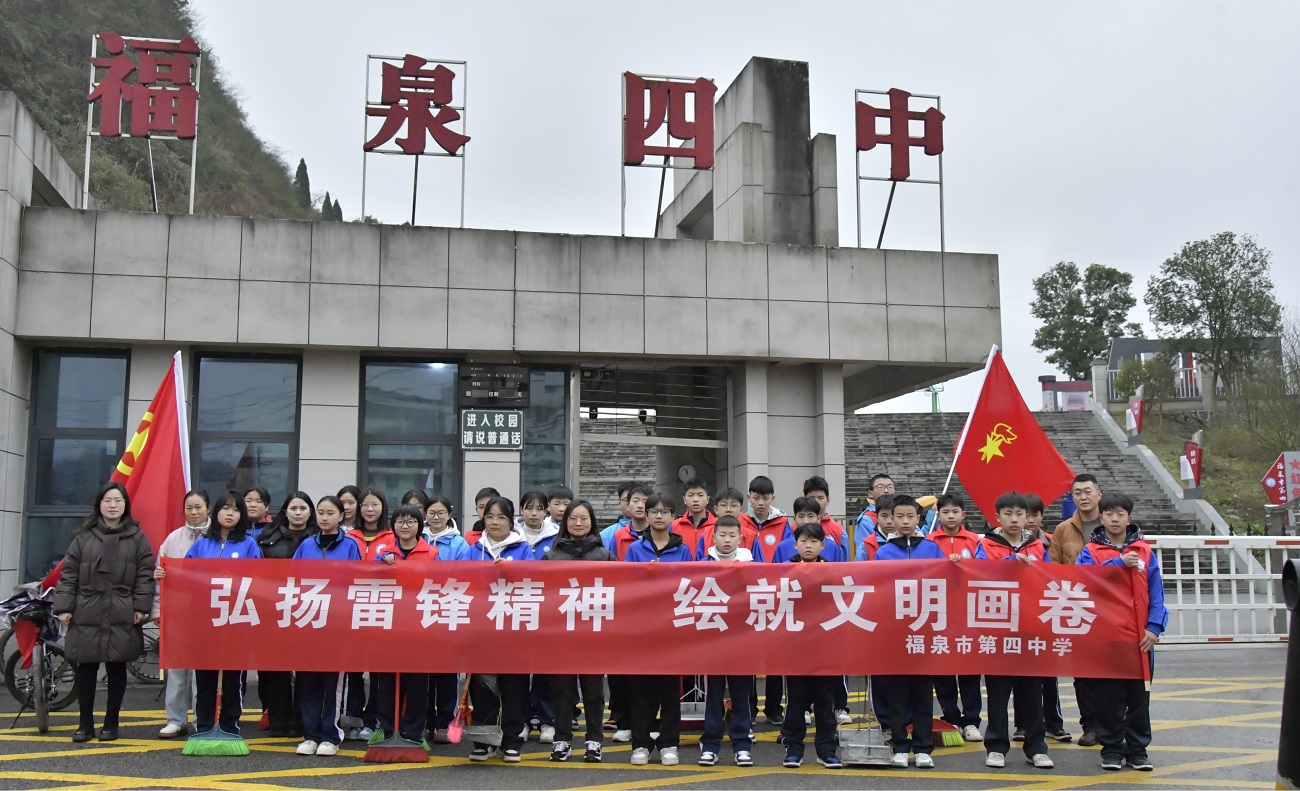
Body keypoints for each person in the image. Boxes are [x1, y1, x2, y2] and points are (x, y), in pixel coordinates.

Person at [54, 482, 155, 743]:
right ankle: (84, 723)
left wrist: (141, 607)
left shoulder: (137, 536)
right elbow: (68, 574)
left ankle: (111, 722)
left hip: (122, 608)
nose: (113, 505)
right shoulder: (84, 537)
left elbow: (146, 573)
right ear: (99, 505)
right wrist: (64, 607)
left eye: (118, 501)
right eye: (108, 500)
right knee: (86, 667)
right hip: (87, 608)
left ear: (125, 505)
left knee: (117, 665)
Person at [1076, 492, 1167, 772]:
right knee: (1107, 697)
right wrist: (1117, 564)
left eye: (1120, 514)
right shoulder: (1089, 552)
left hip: (1139, 638)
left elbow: (1157, 593)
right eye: (1109, 514)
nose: (1115, 519)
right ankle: (1112, 749)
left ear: (1129, 518)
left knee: (1139, 696)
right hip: (1105, 637)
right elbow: (1083, 584)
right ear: (1100, 517)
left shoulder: (1145, 551)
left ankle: (1138, 750)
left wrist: (1155, 627)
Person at [975, 492, 1053, 770]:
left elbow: (1049, 581)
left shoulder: (1037, 546)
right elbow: (978, 576)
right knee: (997, 692)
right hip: (997, 630)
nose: (1014, 519)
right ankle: (996, 746)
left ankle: (1036, 747)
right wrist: (1009, 566)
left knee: (1032, 692)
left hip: (1030, 628)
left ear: (1027, 518)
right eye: (1008, 514)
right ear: (997, 517)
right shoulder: (986, 544)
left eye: (1019, 514)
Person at [183, 491, 263, 739]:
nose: (230, 513)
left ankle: (229, 725)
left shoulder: (249, 544)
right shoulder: (201, 544)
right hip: (204, 622)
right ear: (215, 512)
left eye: (236, 509)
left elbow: (259, 580)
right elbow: (184, 575)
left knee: (232, 678)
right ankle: (205, 724)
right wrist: (164, 576)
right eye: (226, 508)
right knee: (205, 676)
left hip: (236, 620)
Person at [542, 500, 614, 763]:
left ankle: (594, 741)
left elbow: (620, 592)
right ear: (565, 523)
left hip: (593, 635)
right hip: (561, 636)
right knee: (562, 691)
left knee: (594, 691)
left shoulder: (605, 556)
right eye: (573, 519)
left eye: (584, 519)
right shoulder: (551, 556)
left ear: (592, 522)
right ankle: (562, 740)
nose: (578, 524)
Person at [874, 494, 941, 769]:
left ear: (918, 519)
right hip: (895, 633)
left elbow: (945, 583)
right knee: (897, 693)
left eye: (910, 517)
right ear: (891, 519)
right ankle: (900, 746)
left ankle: (923, 747)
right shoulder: (883, 553)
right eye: (898, 516)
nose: (904, 522)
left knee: (923, 693)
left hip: (924, 632)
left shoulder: (932, 549)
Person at [293, 495, 363, 757]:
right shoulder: (306, 546)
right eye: (320, 512)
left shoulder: (350, 546)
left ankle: (330, 734)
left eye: (330, 512)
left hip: (337, 625)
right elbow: (293, 580)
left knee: (333, 682)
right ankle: (310, 734)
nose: (324, 517)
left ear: (340, 516)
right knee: (308, 680)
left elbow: (356, 580)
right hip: (309, 621)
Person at [464, 497, 532, 762]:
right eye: (490, 516)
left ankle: (512, 740)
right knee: (482, 688)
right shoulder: (474, 549)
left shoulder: (523, 549)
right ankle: (484, 741)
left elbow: (533, 581)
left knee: (514, 687)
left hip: (513, 630)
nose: (494, 522)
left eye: (501, 517)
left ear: (511, 520)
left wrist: (511, 570)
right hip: (481, 631)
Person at [624, 494, 689, 767]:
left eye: (665, 511)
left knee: (669, 690)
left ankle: (669, 743)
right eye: (654, 511)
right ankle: (640, 743)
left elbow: (690, 584)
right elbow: (626, 585)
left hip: (672, 629)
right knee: (641, 690)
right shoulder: (635, 550)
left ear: (674, 516)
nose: (659, 516)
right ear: (646, 516)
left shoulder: (684, 550)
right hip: (643, 630)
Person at [779, 523, 841, 769]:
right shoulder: (783, 571)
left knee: (826, 702)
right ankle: (793, 749)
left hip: (824, 647)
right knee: (795, 702)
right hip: (794, 647)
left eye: (814, 541)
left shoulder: (832, 572)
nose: (808, 545)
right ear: (795, 544)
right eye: (803, 540)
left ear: (822, 545)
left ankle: (826, 750)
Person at [257, 490, 319, 737]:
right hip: (274, 609)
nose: (298, 513)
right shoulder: (266, 538)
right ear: (285, 512)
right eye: (293, 508)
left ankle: (301, 720)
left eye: (303, 509)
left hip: (309, 609)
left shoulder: (319, 538)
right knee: (275, 669)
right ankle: (278, 720)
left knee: (306, 668)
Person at [372, 504, 436, 745]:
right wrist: (382, 565)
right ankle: (388, 729)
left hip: (419, 628)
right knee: (387, 681)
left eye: (411, 521)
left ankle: (413, 731)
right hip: (388, 627)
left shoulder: (431, 553)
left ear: (419, 525)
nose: (405, 526)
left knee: (417, 682)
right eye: (400, 521)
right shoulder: (383, 554)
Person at [1048, 473, 1103, 746]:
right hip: (1078, 608)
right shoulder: (1063, 529)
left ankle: (1115, 723)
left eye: (1087, 491)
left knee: (1113, 670)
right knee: (1083, 673)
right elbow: (1054, 567)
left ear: (1098, 495)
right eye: (1077, 492)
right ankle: (1090, 725)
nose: (1082, 496)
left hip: (1110, 608)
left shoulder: (1115, 523)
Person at [152, 489, 209, 739]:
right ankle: (175, 719)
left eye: (198, 507)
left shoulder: (217, 538)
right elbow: (159, 577)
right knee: (176, 667)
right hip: (177, 611)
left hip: (207, 612)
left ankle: (200, 718)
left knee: (201, 668)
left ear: (208, 508)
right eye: (189, 507)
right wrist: (158, 608)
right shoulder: (172, 539)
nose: (193, 512)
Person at [926, 493, 983, 744]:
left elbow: (984, 570)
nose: (950, 516)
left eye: (955, 511)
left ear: (963, 514)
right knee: (943, 670)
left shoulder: (975, 541)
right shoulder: (928, 541)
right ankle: (950, 716)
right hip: (939, 613)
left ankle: (971, 720)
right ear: (938, 515)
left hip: (968, 613)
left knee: (970, 669)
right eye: (945, 512)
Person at [1015, 493, 1071, 744]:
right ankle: (1022, 724)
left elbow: (1058, 572)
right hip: (1016, 616)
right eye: (1023, 515)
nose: (1028, 520)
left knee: (1048, 674)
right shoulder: (1007, 543)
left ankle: (1054, 722)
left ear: (1041, 517)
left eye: (1034, 515)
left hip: (1045, 614)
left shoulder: (1049, 543)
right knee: (1020, 673)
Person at [341, 487, 391, 741]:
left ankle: (374, 719)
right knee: (354, 668)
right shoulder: (348, 537)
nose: (369, 510)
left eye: (375, 505)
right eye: (365, 505)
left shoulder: (392, 537)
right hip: (352, 608)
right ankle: (354, 717)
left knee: (379, 670)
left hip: (382, 608)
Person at [422, 495, 467, 744]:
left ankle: (444, 721)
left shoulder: (459, 543)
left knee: (447, 673)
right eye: (431, 512)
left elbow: (464, 574)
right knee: (424, 671)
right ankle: (426, 720)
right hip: (422, 608)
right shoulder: (418, 538)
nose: (436, 517)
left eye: (441, 513)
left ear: (449, 515)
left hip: (450, 608)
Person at [767, 497, 844, 563]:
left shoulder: (832, 547)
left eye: (810, 516)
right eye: (801, 516)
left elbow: (839, 574)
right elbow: (776, 575)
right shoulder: (783, 547)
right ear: (794, 519)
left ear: (818, 518)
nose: (806, 521)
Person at [696, 487, 757, 559]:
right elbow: (698, 567)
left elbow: (759, 567)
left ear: (741, 510)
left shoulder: (751, 536)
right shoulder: (706, 536)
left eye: (734, 505)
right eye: (723, 505)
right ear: (716, 509)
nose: (728, 510)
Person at [741, 475, 790, 561]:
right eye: (756, 498)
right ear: (749, 498)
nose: (761, 503)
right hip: (748, 573)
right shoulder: (740, 522)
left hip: (775, 573)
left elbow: (788, 552)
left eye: (765, 498)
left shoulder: (782, 524)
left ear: (772, 498)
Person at [604, 483, 652, 561]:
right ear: (628, 506)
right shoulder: (617, 537)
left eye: (645, 501)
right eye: (635, 501)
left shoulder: (659, 534)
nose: (640, 505)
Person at [802, 476, 847, 555]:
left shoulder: (838, 531)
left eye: (820, 498)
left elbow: (844, 563)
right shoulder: (795, 528)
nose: (816, 502)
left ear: (828, 500)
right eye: (811, 498)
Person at [672, 478, 715, 554]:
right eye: (691, 495)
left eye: (700, 495)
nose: (695, 499)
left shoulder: (718, 525)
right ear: (684, 500)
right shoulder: (673, 526)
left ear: (707, 499)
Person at [517, 490, 559, 558]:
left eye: (539, 509)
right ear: (521, 510)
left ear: (545, 511)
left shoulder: (556, 537)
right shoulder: (512, 535)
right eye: (529, 508)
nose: (534, 513)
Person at [598, 480, 639, 544]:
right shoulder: (605, 535)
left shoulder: (653, 531)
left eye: (635, 500)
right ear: (619, 504)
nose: (631, 503)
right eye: (627, 500)